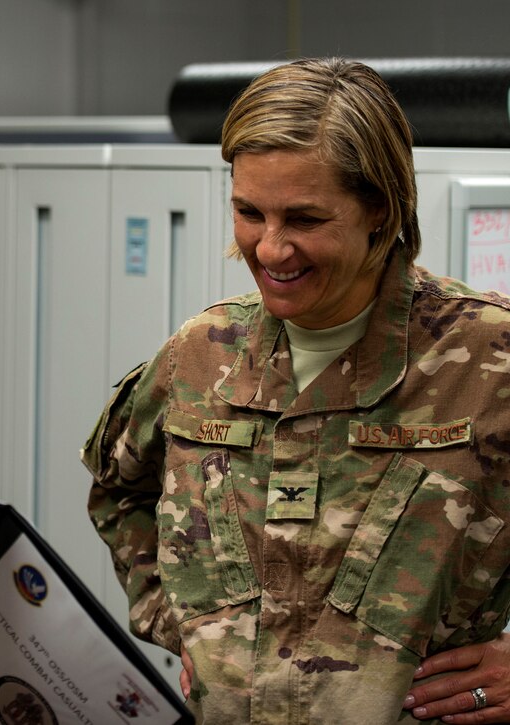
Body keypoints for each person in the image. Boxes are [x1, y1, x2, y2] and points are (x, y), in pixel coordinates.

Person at [82, 57, 510, 724]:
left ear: (379, 208)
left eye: (305, 219)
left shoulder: (487, 359)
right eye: (249, 212)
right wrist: (180, 619)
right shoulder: (203, 352)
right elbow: (118, 489)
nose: (270, 249)